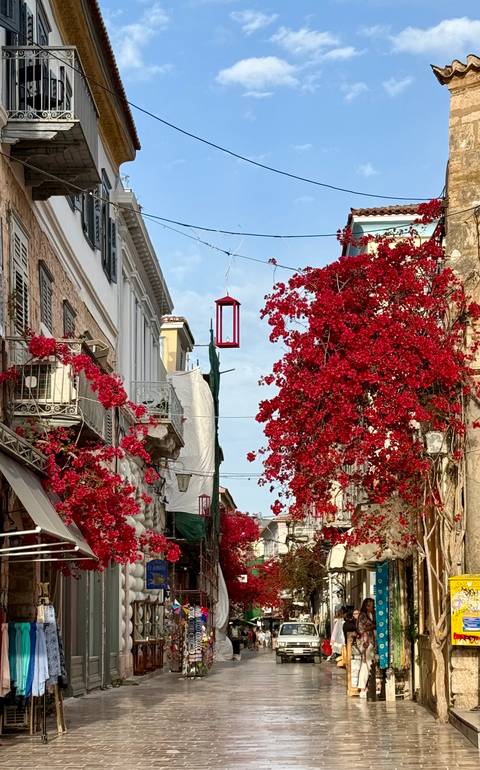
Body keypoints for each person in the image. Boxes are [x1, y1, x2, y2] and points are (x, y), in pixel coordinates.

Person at [357, 598, 376, 698]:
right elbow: (362, 628)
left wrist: (372, 626)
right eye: (370, 605)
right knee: (368, 664)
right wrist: (372, 626)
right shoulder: (363, 616)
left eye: (372, 605)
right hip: (366, 643)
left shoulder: (373, 615)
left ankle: (363, 687)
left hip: (372, 641)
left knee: (366, 664)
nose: (372, 607)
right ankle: (365, 686)